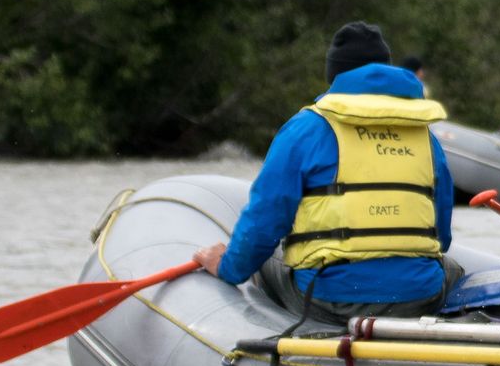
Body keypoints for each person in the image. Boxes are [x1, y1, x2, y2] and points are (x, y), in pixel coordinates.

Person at [194, 21, 460, 322]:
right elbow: (442, 235)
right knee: (453, 268)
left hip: (330, 299)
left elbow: (264, 222)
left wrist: (228, 267)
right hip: (418, 297)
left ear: (334, 77)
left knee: (263, 260)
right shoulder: (425, 137)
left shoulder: (306, 128)